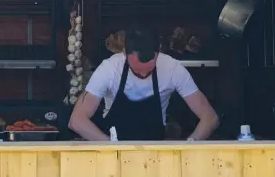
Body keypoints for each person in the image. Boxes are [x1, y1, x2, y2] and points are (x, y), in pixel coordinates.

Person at [68, 28, 219, 141]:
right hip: (113, 155)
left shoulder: (172, 68)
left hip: (156, 154)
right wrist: (110, 147)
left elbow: (210, 118)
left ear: (158, 53)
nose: (142, 75)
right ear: (125, 54)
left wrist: (187, 148)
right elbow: (77, 120)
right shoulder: (109, 68)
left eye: (148, 70)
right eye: (136, 71)